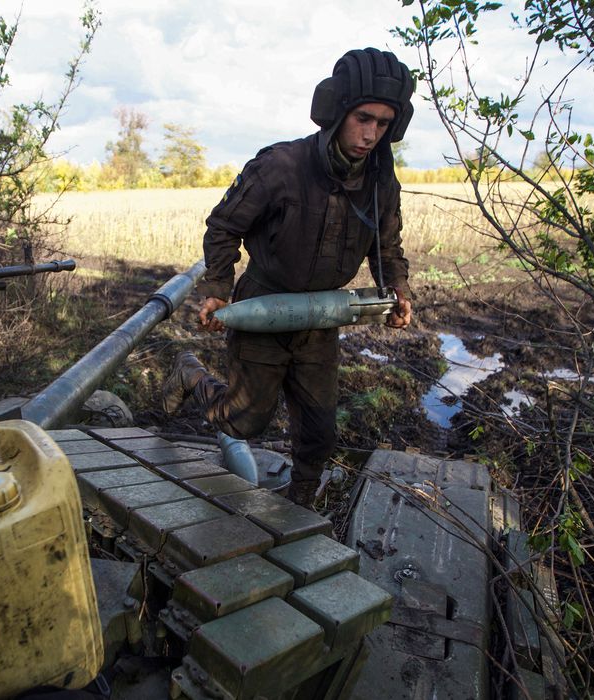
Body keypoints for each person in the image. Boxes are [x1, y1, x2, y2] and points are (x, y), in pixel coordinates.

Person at [163, 48, 416, 507]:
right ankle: (189, 374)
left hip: (321, 316)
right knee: (243, 421)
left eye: (382, 123)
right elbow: (223, 226)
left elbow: (388, 244)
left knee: (320, 431)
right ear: (337, 111)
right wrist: (218, 288)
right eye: (363, 118)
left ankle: (299, 506)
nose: (370, 134)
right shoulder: (282, 166)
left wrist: (397, 288)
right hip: (265, 303)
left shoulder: (381, 182)